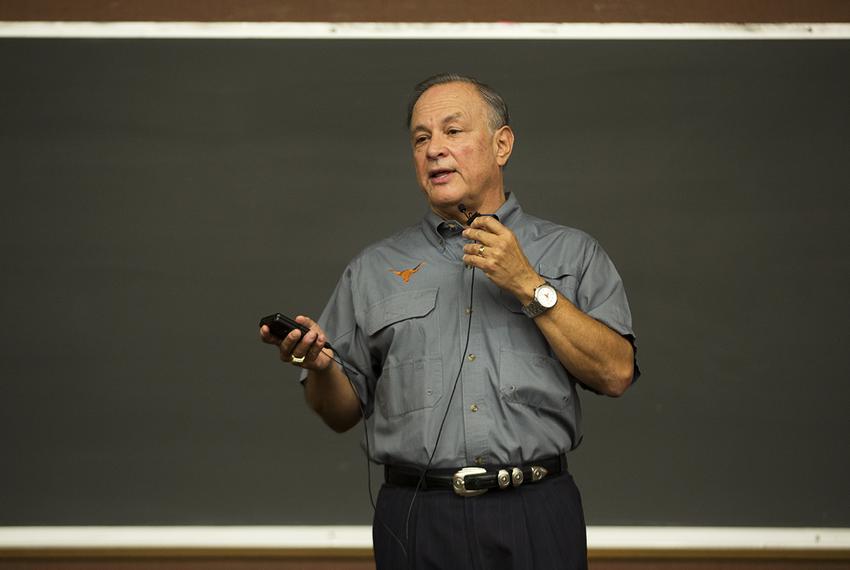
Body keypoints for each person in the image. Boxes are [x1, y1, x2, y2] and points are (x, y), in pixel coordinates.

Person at [260, 73, 639, 569]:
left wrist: (528, 283)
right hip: (419, 516)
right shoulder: (372, 269)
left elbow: (616, 374)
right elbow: (339, 414)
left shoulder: (573, 252)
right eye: (421, 138)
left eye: (453, 131)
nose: (434, 149)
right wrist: (321, 366)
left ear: (502, 145)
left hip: (536, 511)